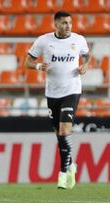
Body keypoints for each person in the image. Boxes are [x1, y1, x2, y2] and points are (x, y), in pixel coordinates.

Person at [25, 11, 90, 190]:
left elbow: (86, 55)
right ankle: (71, 164)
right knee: (60, 135)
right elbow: (27, 62)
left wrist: (85, 66)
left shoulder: (78, 40)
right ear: (55, 25)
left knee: (64, 130)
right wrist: (38, 66)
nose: (67, 26)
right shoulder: (44, 41)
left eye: (70, 23)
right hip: (52, 93)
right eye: (63, 23)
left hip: (72, 90)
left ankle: (63, 174)